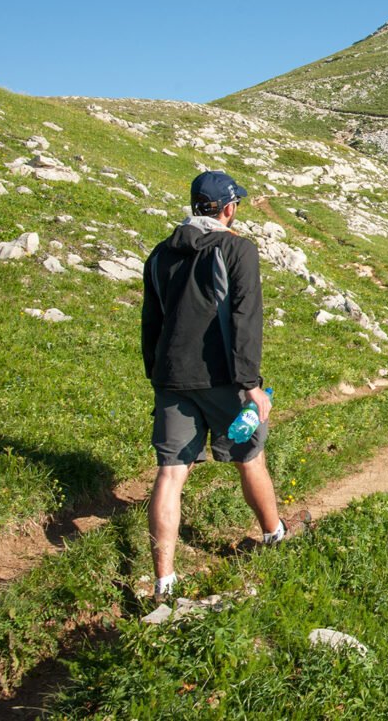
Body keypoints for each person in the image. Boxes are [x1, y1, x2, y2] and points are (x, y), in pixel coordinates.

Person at [141, 170, 286, 598]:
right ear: (228, 208)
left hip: (171, 379)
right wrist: (251, 384)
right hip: (223, 377)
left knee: (170, 474)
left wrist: (157, 374)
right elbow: (246, 319)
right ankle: (274, 535)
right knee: (250, 457)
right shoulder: (236, 248)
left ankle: (164, 582)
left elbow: (152, 322)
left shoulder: (159, 255)